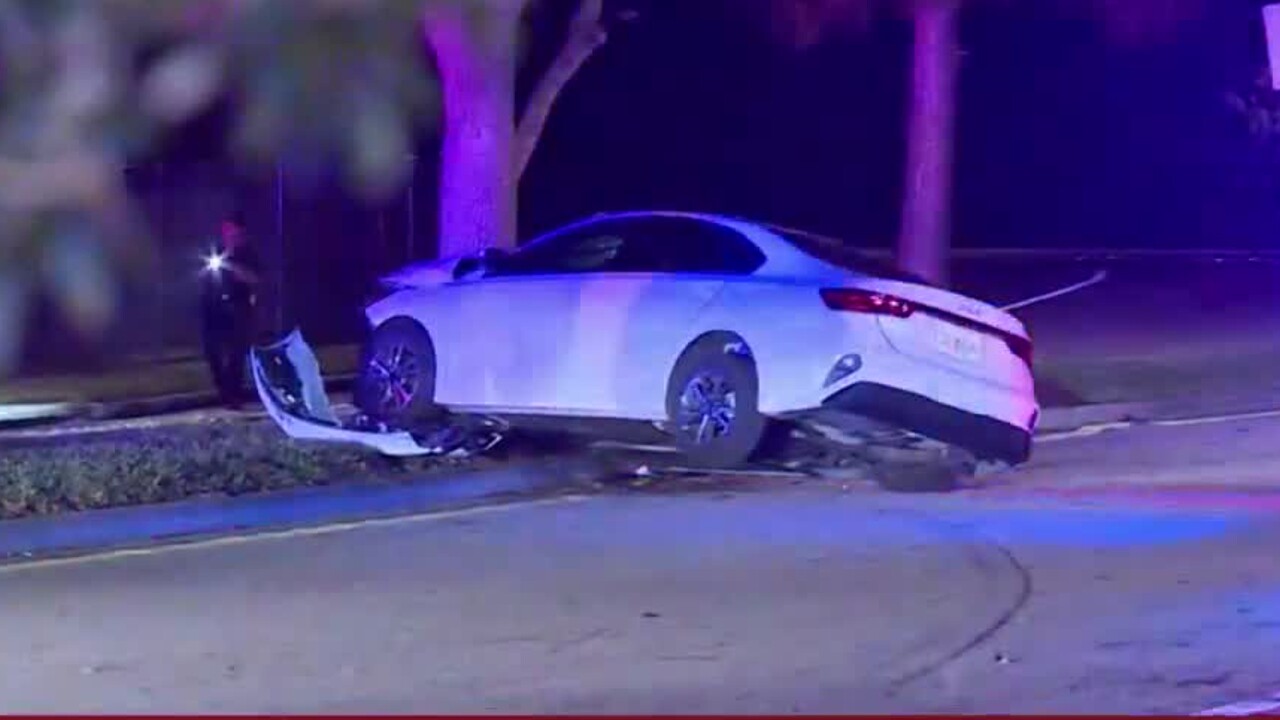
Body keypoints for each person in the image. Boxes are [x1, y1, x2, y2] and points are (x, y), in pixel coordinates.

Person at [200, 211, 262, 409]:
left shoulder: (247, 254)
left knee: (236, 354)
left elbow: (255, 279)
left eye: (234, 232)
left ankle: (234, 394)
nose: (230, 236)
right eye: (227, 232)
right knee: (213, 352)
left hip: (238, 307)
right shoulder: (216, 250)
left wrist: (235, 269)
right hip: (213, 308)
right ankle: (224, 391)